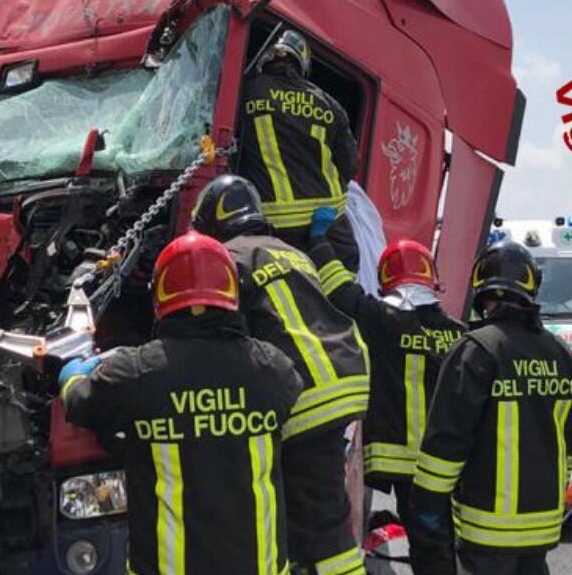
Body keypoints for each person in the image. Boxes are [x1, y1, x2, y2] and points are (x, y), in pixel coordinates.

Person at [59, 230, 303, 575]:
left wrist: (70, 373)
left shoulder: (139, 372)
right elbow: (290, 391)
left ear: (160, 297)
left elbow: (80, 402)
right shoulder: (271, 369)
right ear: (232, 292)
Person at [191, 175, 369, 575]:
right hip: (343, 377)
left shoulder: (227, 261)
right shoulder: (292, 252)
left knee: (319, 529)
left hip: (305, 394)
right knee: (317, 509)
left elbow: (219, 340)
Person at [411, 241, 572, 575]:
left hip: (485, 529)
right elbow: (571, 441)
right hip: (542, 527)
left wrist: (427, 503)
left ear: (482, 291)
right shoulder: (561, 355)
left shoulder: (475, 350)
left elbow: (447, 440)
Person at [307, 209, 465, 574]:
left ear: (387, 282)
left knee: (368, 531)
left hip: (388, 457)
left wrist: (318, 240)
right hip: (441, 465)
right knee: (436, 545)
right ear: (431, 280)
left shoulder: (380, 319)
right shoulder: (458, 334)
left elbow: (337, 290)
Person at [237, 29, 360, 270]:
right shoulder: (329, 104)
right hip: (329, 224)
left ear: (266, 58)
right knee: (341, 289)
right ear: (302, 62)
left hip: (274, 227)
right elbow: (349, 165)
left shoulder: (247, 91)